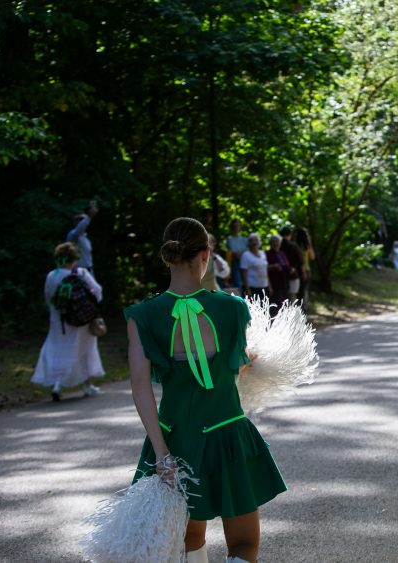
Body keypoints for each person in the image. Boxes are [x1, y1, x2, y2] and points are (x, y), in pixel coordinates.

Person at [124, 217, 286, 563]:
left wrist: (161, 453)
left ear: (166, 257)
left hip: (174, 438)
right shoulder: (232, 308)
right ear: (206, 254)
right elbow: (232, 368)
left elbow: (140, 388)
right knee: (244, 545)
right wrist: (250, 362)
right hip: (227, 434)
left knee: (188, 539)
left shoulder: (143, 315)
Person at [32, 242, 105, 400]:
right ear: (74, 258)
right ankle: (87, 386)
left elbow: (48, 298)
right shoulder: (81, 273)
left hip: (59, 321)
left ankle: (57, 385)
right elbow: (98, 291)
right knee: (84, 350)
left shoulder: (52, 276)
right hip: (82, 321)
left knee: (57, 350)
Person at [66, 201, 98, 272]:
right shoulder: (72, 235)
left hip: (88, 270)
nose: (82, 221)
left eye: (83, 219)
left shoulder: (85, 238)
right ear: (75, 222)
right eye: (80, 219)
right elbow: (80, 228)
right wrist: (89, 217)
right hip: (77, 270)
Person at [265, 234, 292, 315]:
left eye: (277, 241)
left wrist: (291, 269)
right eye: (274, 241)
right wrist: (273, 267)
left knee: (284, 302)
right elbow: (264, 268)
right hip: (274, 282)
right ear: (270, 243)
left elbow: (287, 265)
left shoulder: (282, 253)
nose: (276, 243)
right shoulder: (267, 254)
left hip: (284, 281)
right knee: (276, 303)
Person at [240, 233, 270, 302]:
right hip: (252, 287)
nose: (254, 243)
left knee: (264, 308)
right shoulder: (246, 255)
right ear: (249, 243)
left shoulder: (262, 253)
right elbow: (243, 273)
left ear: (259, 242)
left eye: (256, 240)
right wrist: (247, 289)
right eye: (252, 241)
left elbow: (265, 270)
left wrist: (269, 285)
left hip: (264, 286)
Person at [280, 227, 306, 304]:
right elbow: (301, 261)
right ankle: (293, 312)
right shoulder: (293, 246)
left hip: (281, 274)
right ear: (290, 234)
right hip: (294, 273)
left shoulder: (279, 245)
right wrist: (303, 272)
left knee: (285, 294)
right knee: (293, 294)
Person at [294, 227, 315, 307]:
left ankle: (298, 309)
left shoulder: (294, 245)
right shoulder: (307, 246)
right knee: (304, 291)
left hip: (296, 271)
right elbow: (312, 257)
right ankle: (302, 310)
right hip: (306, 270)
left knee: (297, 292)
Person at [226, 220, 248, 290]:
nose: (236, 228)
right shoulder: (229, 238)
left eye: (238, 226)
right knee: (238, 283)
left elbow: (246, 251)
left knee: (247, 282)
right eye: (234, 226)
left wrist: (240, 254)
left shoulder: (244, 239)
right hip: (235, 262)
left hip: (245, 262)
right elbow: (231, 250)